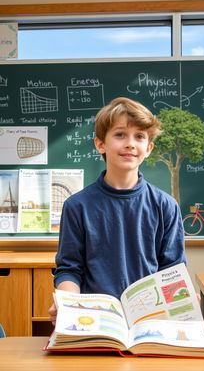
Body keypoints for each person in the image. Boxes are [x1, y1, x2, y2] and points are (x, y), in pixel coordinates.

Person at [48, 97, 186, 325]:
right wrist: (67, 301)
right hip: (95, 320)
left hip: (149, 320)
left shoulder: (166, 205)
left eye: (139, 136)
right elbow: (69, 268)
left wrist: (182, 299)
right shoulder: (77, 206)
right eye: (120, 134)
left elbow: (171, 269)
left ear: (149, 148)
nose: (131, 143)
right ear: (100, 144)